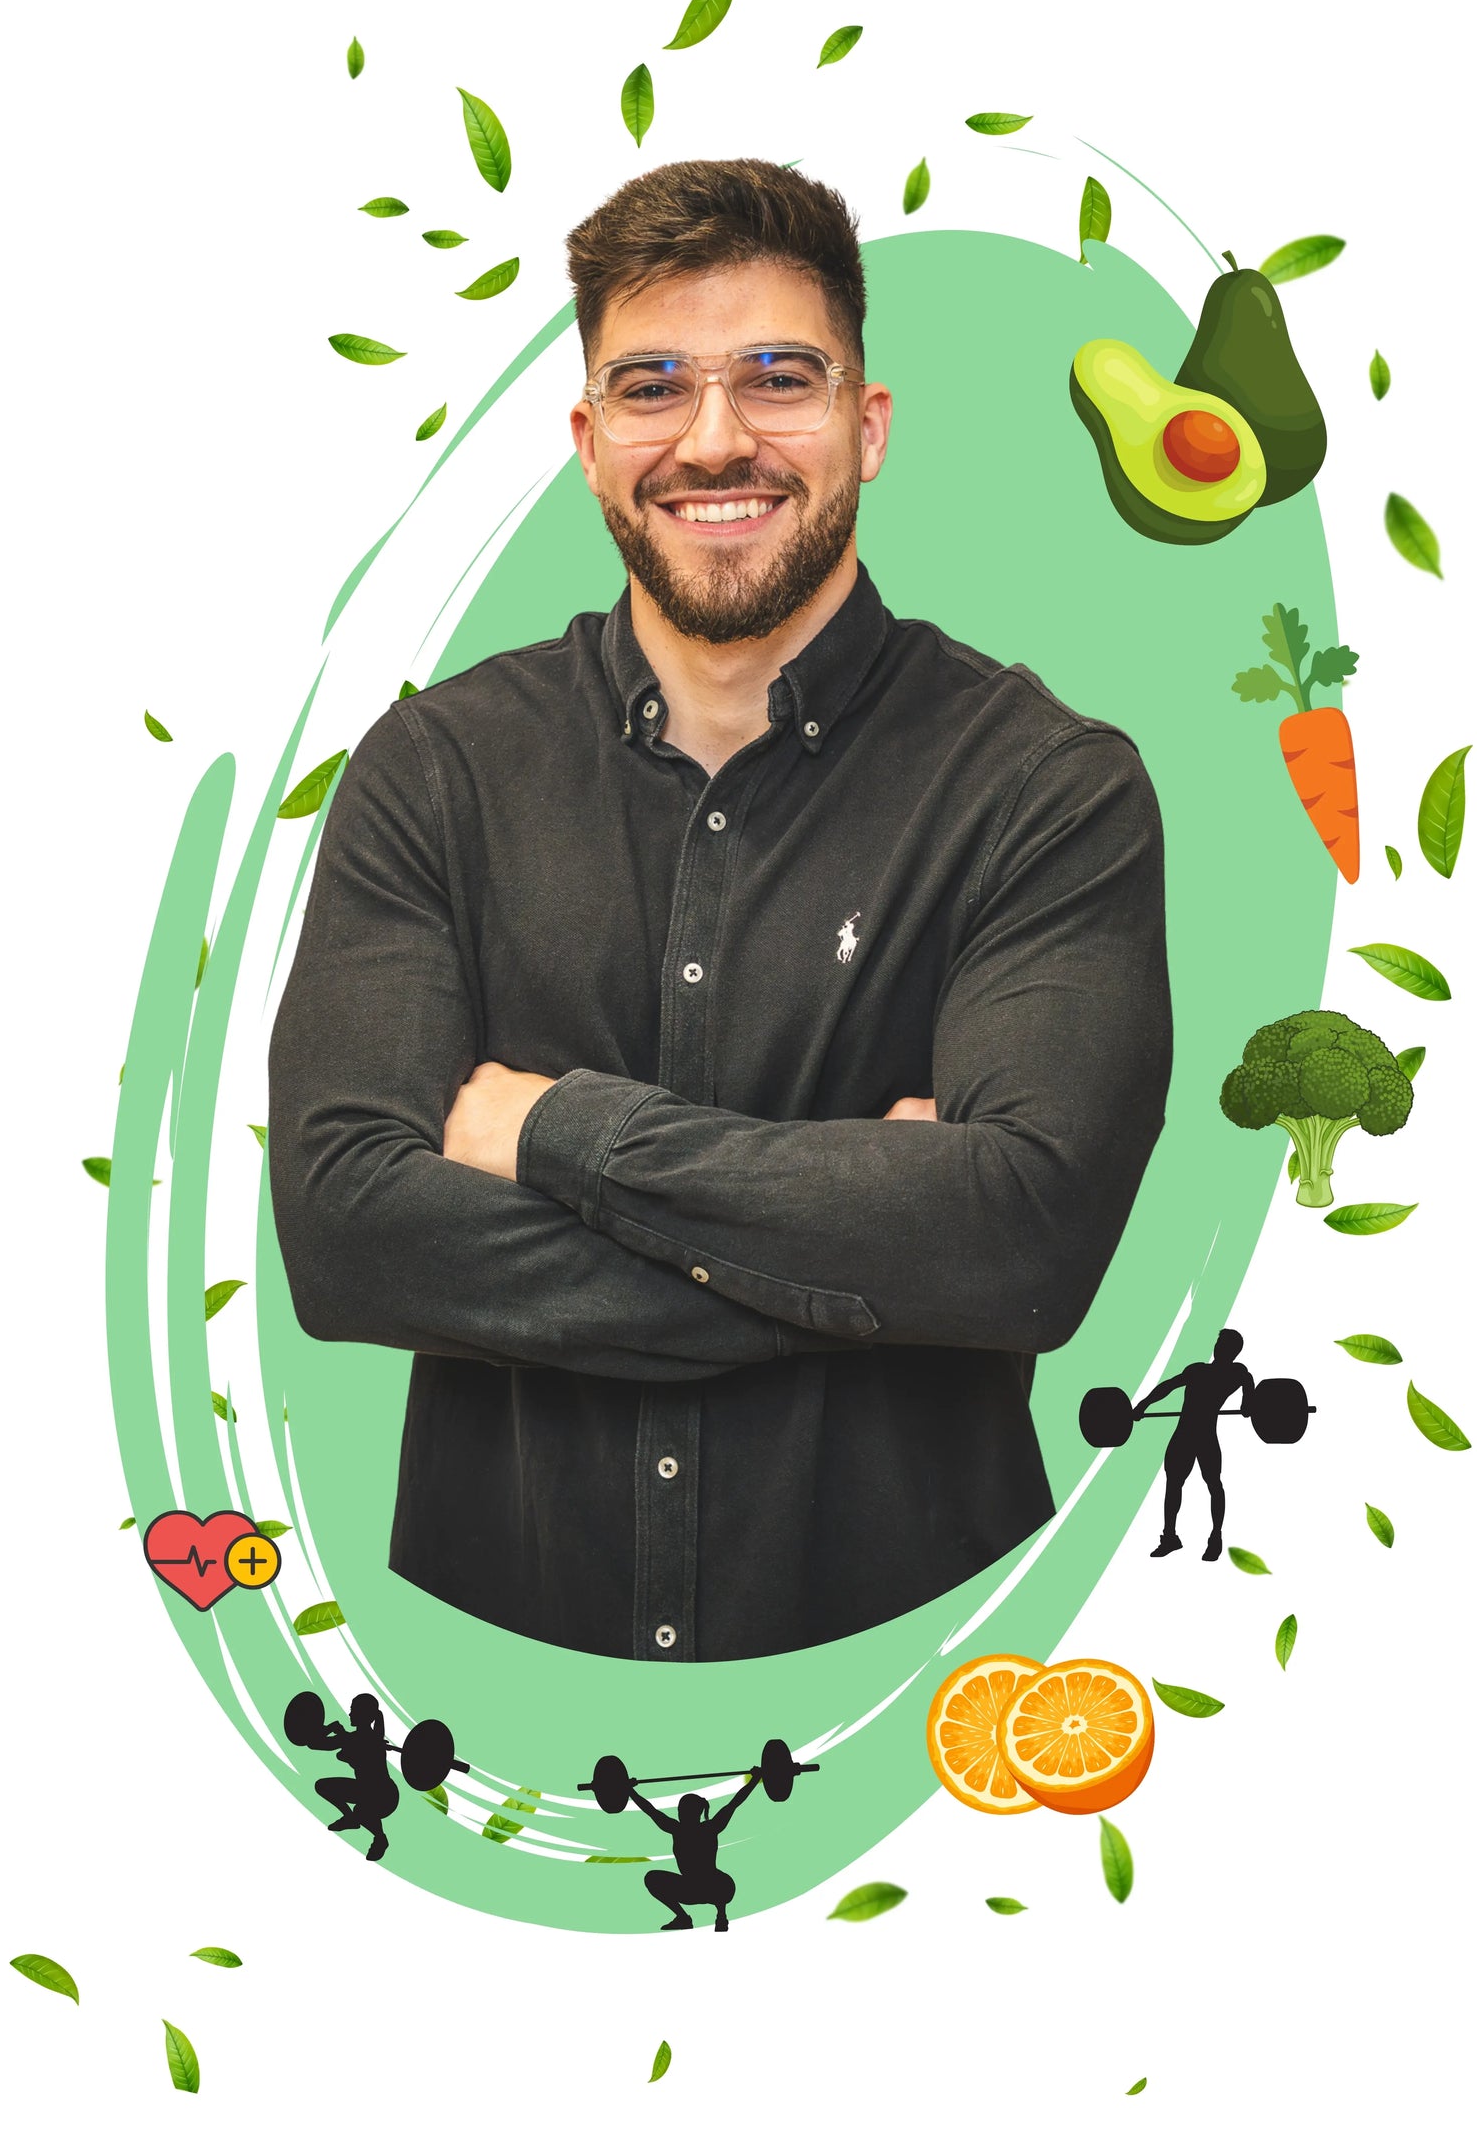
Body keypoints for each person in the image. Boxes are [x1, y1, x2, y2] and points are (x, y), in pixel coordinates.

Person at [268, 158, 1172, 1663]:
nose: (714, 438)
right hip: (490, 1669)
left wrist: (551, 1133)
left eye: (777, 377)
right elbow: (348, 1236)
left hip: (923, 1654)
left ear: (866, 425)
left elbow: (1022, 1245)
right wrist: (878, 1256)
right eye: (651, 386)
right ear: (587, 439)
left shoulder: (1046, 790)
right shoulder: (434, 772)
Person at [1135, 1328, 1256, 1561]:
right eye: (1218, 1344)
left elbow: (1248, 1404)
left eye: (1223, 1345)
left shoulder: (1238, 1373)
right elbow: (1168, 1386)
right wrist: (1143, 1404)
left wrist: (1247, 1404)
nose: (1218, 1348)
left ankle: (1215, 1537)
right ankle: (1169, 1537)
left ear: (1233, 1351)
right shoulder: (1199, 1370)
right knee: (1173, 1485)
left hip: (1204, 1436)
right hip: (1184, 1435)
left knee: (1213, 1484)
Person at [630, 1769, 761, 1932]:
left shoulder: (677, 1829)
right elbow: (734, 1803)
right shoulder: (711, 1827)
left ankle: (714, 1916)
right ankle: (695, 1917)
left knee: (653, 1878)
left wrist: (630, 1790)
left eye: (680, 1810)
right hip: (702, 1889)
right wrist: (755, 1779)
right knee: (653, 1878)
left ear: (685, 1812)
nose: (678, 1813)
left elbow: (650, 1811)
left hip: (699, 1889)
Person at [305, 1692, 400, 1862]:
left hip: (384, 1795)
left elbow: (319, 1744)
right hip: (365, 1789)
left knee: (362, 1810)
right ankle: (350, 1819)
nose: (349, 1714)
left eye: (353, 1710)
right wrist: (332, 1730)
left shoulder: (364, 1738)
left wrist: (333, 1731)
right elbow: (316, 1745)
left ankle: (380, 1838)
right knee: (323, 1786)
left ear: (363, 1715)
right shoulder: (361, 1737)